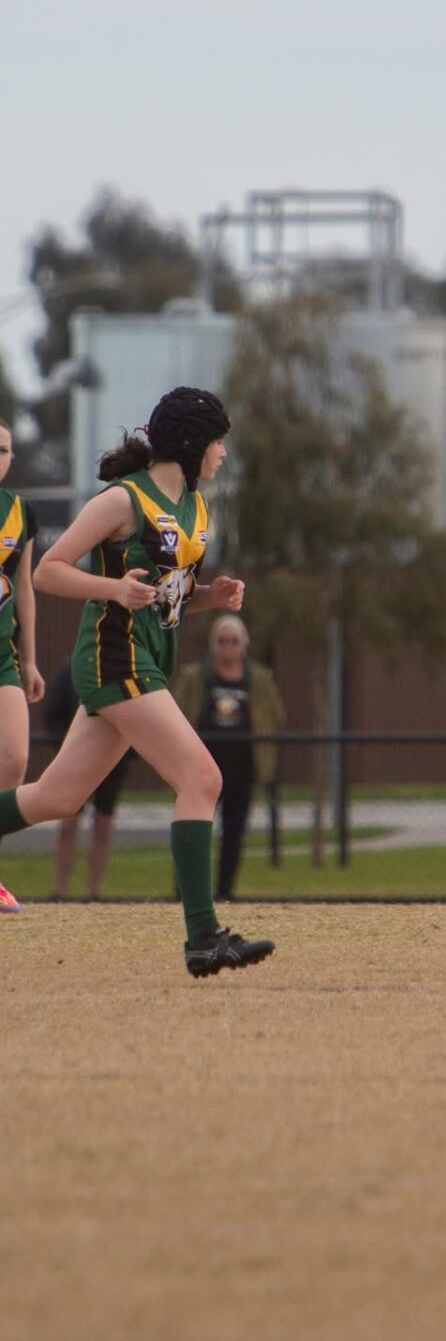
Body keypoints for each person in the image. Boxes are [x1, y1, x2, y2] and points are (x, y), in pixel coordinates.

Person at [0, 387, 275, 977]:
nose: (224, 453)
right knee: (202, 778)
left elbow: (168, 596)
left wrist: (211, 596)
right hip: (115, 658)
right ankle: (203, 938)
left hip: (146, 658)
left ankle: (204, 938)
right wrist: (114, 589)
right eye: (219, 441)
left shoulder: (196, 506)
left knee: (56, 798)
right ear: (191, 443)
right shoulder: (124, 499)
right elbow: (48, 572)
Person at [174, 614, 285, 901]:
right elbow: (176, 712)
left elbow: (275, 715)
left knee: (234, 832)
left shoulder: (259, 680)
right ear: (213, 644)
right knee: (194, 830)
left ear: (244, 645)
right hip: (201, 768)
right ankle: (185, 892)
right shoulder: (195, 677)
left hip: (241, 768)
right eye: (222, 641)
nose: (228, 647)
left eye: (234, 641)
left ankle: (225, 892)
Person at [42, 657, 133, 901]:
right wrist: (67, 748)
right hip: (76, 759)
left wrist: (128, 749)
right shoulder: (72, 671)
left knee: (103, 825)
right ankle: (59, 890)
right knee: (68, 823)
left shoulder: (123, 671)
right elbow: (52, 712)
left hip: (113, 762)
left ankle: (93, 891)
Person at [0, 416, 44, 913]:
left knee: (13, 760)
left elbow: (26, 588)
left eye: (4, 450)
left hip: (3, 656)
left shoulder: (20, 512)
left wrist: (30, 660)